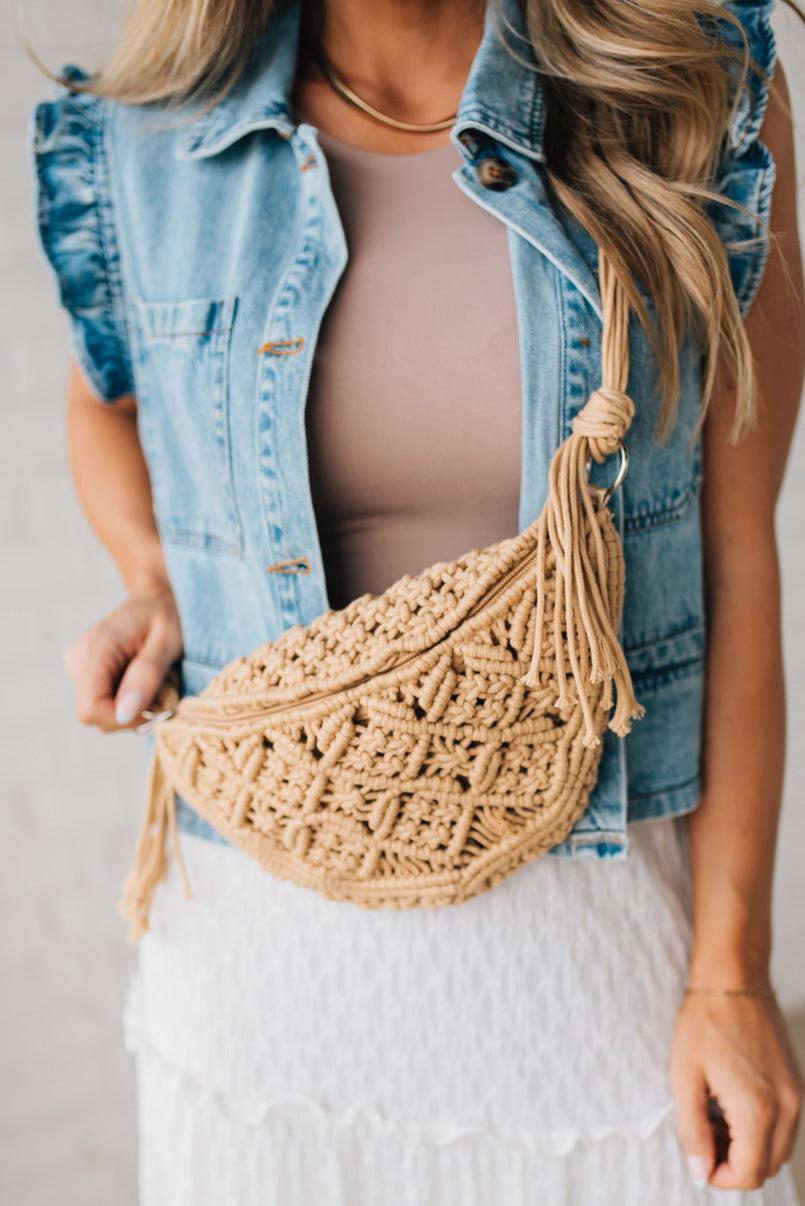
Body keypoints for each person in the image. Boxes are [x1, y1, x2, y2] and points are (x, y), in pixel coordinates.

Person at [28, 0, 804, 1201]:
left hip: (600, 965)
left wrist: (731, 975)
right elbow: (105, 399)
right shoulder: (142, 145)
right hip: (260, 979)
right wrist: (154, 576)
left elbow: (736, 548)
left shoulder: (687, 95)